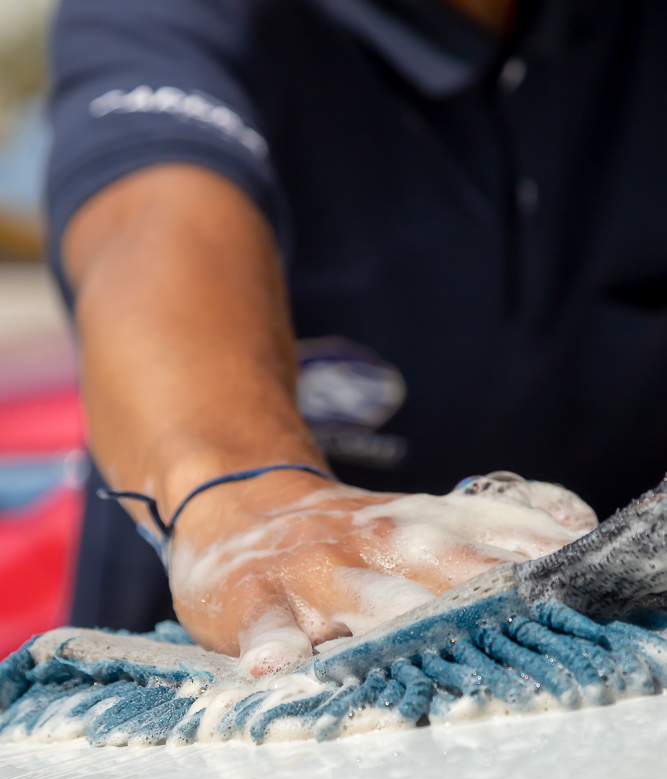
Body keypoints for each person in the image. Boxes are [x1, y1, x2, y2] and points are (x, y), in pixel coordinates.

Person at [48, 0, 667, 674]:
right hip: (228, 711)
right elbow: (148, 220)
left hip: (619, 684)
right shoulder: (182, 19)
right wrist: (250, 497)